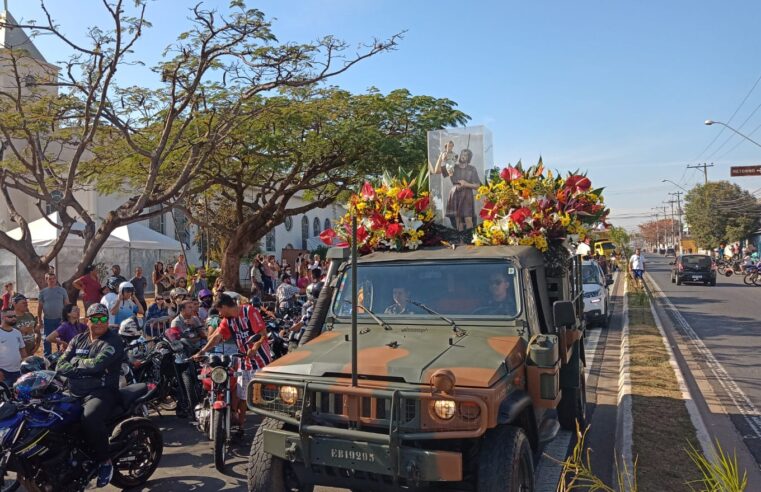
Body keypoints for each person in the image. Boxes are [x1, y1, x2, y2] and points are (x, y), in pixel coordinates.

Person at [56, 303, 124, 488]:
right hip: (74, 391)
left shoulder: (114, 341)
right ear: (88, 321)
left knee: (90, 418)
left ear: (107, 321)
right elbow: (60, 363)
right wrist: (82, 366)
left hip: (103, 392)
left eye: (103, 318)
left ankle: (105, 462)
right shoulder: (77, 340)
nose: (99, 322)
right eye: (95, 318)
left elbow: (97, 365)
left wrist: (75, 364)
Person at [194, 294, 270, 437]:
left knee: (260, 399)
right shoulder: (227, 321)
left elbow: (262, 333)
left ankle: (266, 431)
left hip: (260, 362)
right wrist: (202, 351)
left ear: (224, 307)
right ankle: (240, 427)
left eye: (220, 311)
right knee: (241, 396)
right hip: (243, 362)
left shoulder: (249, 311)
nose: (220, 314)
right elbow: (217, 337)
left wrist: (254, 348)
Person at [433, 148, 481, 231]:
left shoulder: (472, 169)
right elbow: (436, 171)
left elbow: (478, 186)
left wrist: (466, 184)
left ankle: (469, 239)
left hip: (467, 195)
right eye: (462, 154)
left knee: (468, 219)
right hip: (455, 193)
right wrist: (440, 157)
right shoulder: (452, 167)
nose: (463, 156)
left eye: (466, 155)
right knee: (458, 220)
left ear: (469, 158)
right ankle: (461, 240)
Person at [37, 272, 70, 357]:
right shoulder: (43, 292)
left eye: (53, 278)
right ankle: (47, 357)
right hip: (48, 320)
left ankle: (61, 355)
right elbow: (40, 307)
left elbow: (67, 304)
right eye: (49, 279)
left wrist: (68, 316)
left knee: (61, 338)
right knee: (47, 339)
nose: (52, 280)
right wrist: (39, 320)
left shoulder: (62, 290)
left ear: (56, 279)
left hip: (60, 319)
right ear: (46, 280)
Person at [0, 307, 27, 386]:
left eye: (15, 316)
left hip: (18, 371)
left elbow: (23, 351)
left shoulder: (17, 333)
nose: (14, 318)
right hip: (3, 373)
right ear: (2, 317)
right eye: (10, 317)